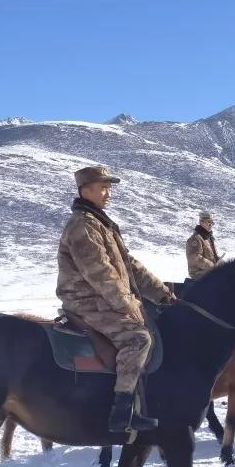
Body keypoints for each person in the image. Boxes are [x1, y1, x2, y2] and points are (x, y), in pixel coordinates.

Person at [56, 165, 176, 433]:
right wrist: (127, 305)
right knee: (138, 338)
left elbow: (131, 267)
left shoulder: (101, 224)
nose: (108, 193)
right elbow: (100, 273)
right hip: (86, 302)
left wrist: (164, 295)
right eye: (102, 187)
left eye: (109, 187)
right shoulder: (82, 226)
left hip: (103, 299)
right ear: (85, 191)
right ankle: (121, 412)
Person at [186, 211, 221, 280]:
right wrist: (212, 266)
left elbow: (213, 256)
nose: (210, 224)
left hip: (210, 271)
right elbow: (195, 258)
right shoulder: (195, 238)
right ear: (201, 222)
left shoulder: (209, 238)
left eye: (211, 223)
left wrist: (221, 263)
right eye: (208, 222)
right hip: (198, 273)